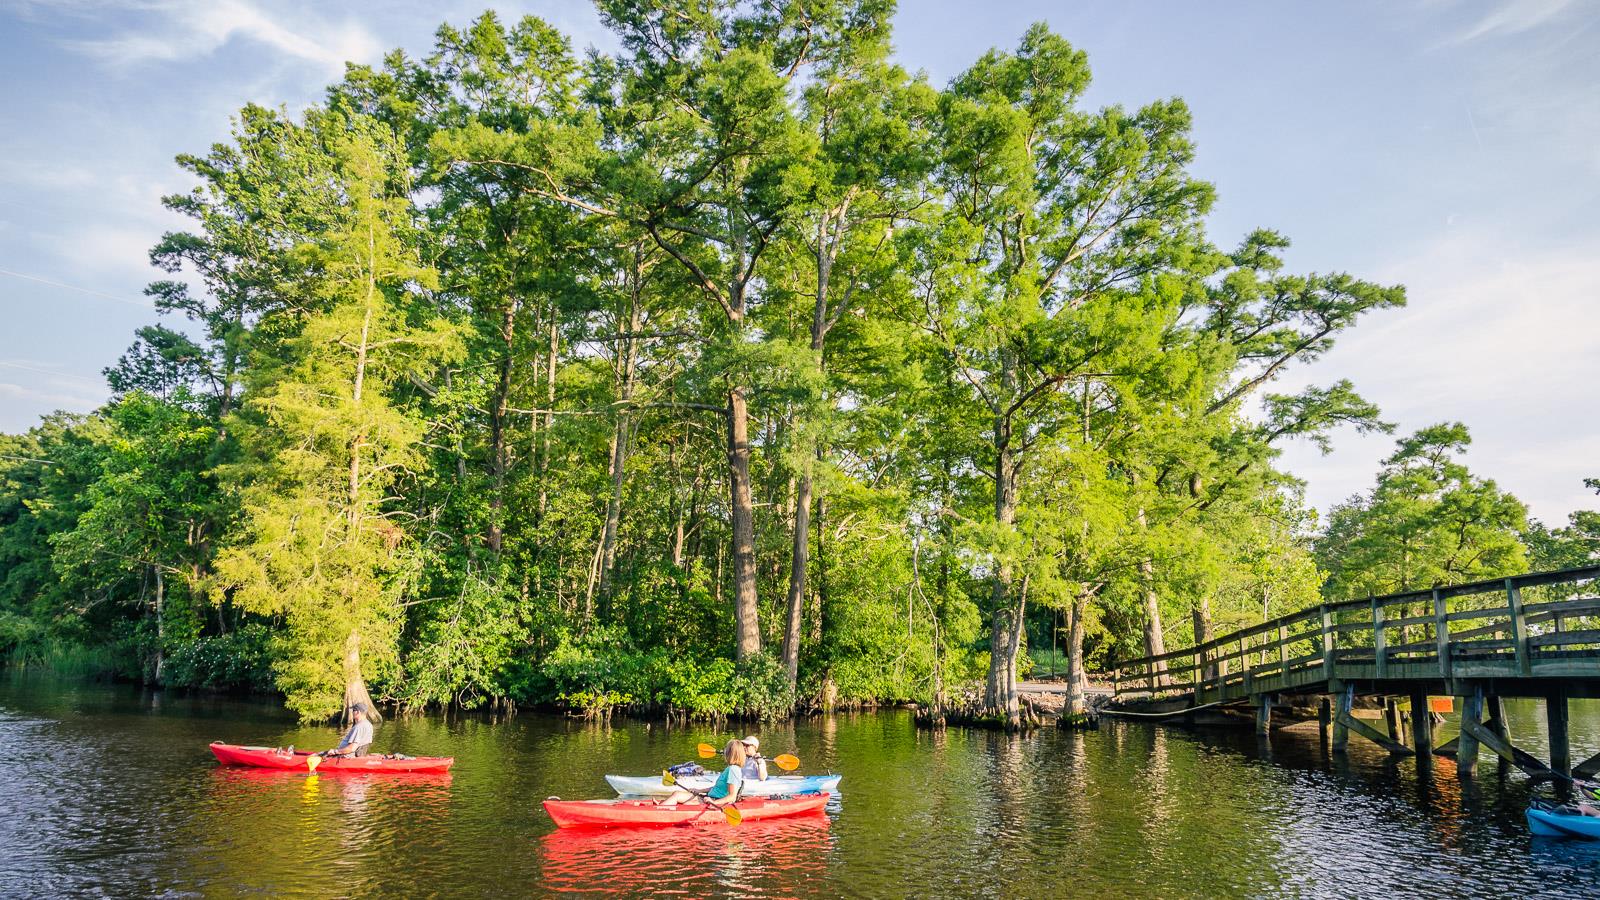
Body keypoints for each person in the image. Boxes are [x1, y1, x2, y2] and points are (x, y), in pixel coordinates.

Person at [660, 740, 746, 807]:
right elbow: (718, 788)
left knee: (684, 802)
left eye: (726, 749)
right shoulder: (731, 768)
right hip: (709, 797)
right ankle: (661, 807)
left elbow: (732, 796)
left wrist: (714, 802)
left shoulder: (733, 770)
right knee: (677, 794)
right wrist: (699, 790)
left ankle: (660, 809)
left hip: (715, 801)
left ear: (730, 753)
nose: (724, 751)